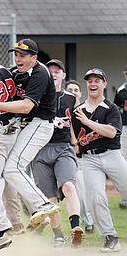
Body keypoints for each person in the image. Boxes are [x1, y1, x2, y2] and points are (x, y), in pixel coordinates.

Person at [0, 34, 60, 256]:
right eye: (16, 54)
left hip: (37, 124)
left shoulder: (39, 73)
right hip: (16, 128)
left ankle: (28, 214)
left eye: (23, 55)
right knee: (6, 175)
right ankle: (14, 224)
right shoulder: (8, 72)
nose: (18, 58)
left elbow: (25, 107)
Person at [71, 67, 127, 253]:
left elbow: (111, 132)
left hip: (112, 155)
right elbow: (75, 138)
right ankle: (110, 237)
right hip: (89, 159)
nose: (93, 84)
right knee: (95, 197)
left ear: (104, 83)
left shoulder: (110, 109)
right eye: (89, 81)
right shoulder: (77, 111)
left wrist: (88, 122)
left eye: (97, 80)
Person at [31, 59, 84, 249]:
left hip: (62, 147)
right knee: (50, 200)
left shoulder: (70, 98)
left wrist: (74, 141)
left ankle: (76, 229)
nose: (53, 73)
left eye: (57, 71)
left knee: (69, 186)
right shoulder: (37, 96)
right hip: (40, 149)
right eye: (50, 70)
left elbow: (72, 122)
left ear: (63, 75)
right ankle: (58, 236)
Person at [65, 80, 94, 234]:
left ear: (80, 93)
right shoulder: (61, 108)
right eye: (70, 89)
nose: (74, 92)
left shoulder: (85, 111)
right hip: (63, 154)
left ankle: (88, 222)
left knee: (82, 191)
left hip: (81, 157)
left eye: (76, 89)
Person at [113, 64, 127, 209]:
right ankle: (125, 198)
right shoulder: (121, 91)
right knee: (124, 162)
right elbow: (116, 111)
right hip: (125, 129)